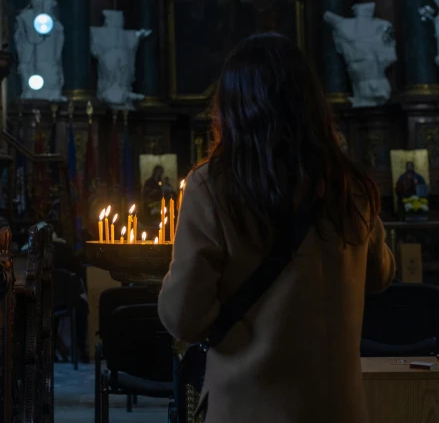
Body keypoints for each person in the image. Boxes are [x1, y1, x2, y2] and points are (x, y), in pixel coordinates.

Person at [158, 33, 394, 423]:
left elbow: (184, 316)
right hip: (340, 408)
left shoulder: (213, 186)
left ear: (232, 107)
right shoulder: (348, 185)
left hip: (250, 406)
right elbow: (381, 274)